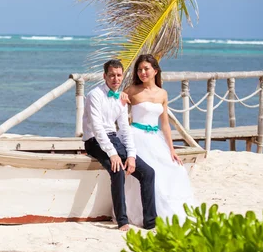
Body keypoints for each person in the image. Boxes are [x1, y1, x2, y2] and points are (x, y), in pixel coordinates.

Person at [83, 59, 157, 231]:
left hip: (113, 140)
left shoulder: (122, 98)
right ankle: (122, 221)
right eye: (111, 75)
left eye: (118, 75)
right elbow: (97, 128)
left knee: (148, 173)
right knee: (117, 170)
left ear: (122, 76)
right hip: (94, 141)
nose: (115, 79)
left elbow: (124, 129)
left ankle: (150, 222)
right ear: (104, 76)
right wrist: (112, 153)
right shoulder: (94, 95)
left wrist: (131, 155)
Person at [123, 54, 197, 227]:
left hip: (155, 138)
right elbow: (116, 110)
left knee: (176, 170)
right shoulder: (132, 90)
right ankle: (146, 215)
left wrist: (171, 149)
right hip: (136, 137)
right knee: (148, 173)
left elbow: (165, 124)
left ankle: (171, 213)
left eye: (146, 69)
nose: (142, 72)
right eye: (139, 69)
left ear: (155, 71)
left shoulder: (162, 93)